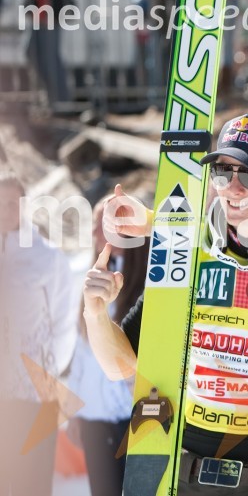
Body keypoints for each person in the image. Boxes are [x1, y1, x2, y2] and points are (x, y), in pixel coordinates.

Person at [83, 113, 248, 495]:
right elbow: (121, 365)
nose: (233, 188)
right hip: (184, 469)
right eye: (223, 173)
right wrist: (95, 312)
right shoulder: (190, 259)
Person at [0, 170, 75, 495]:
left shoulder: (45, 257)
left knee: (33, 486)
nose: (6, 210)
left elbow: (64, 321)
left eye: (13, 202)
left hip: (36, 392)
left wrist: (46, 374)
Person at [67, 198, 149, 496]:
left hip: (135, 415)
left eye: (104, 222)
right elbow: (80, 351)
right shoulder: (87, 278)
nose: (95, 231)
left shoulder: (152, 278)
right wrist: (75, 409)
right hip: (95, 415)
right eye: (94, 223)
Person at [27, 0, 72, 113]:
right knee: (32, 51)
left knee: (50, 56)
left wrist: (48, 6)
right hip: (38, 9)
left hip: (50, 9)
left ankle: (61, 102)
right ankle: (52, 99)